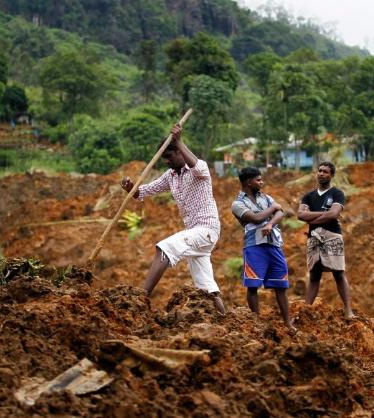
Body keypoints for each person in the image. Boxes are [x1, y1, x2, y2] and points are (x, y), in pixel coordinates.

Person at [120, 124, 226, 314]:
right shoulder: (171, 176)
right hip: (195, 235)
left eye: (169, 156)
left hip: (206, 230)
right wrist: (130, 187)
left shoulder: (197, 169)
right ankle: (225, 317)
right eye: (164, 158)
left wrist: (179, 141)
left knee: (165, 247)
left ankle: (141, 298)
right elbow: (142, 192)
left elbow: (198, 166)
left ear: (180, 152)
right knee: (207, 288)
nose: (166, 161)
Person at [231, 167, 295, 331]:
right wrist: (273, 209)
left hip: (273, 244)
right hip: (254, 246)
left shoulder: (265, 197)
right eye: (258, 180)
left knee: (281, 285)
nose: (261, 182)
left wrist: (270, 223)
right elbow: (256, 217)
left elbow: (281, 213)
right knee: (253, 286)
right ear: (248, 182)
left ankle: (288, 323)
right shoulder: (237, 204)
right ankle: (256, 323)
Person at [297, 162, 354, 319]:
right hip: (314, 238)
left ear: (332, 175)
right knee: (314, 274)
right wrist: (323, 215)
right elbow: (300, 215)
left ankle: (348, 310)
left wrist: (312, 218)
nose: (321, 174)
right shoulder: (308, 196)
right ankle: (306, 311)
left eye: (326, 172)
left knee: (338, 273)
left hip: (332, 236)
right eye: (320, 171)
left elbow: (333, 214)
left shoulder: (337, 193)